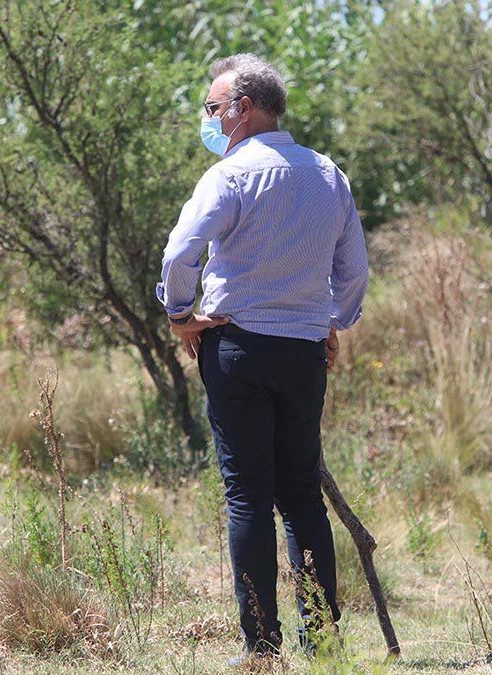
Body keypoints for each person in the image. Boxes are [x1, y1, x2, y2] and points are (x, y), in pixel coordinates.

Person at [154, 53, 369, 664]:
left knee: (248, 496)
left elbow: (180, 254)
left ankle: (262, 649)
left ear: (242, 108)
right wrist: (332, 323)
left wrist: (179, 314)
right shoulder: (328, 174)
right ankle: (322, 644)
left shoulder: (229, 175)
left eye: (212, 108)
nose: (209, 119)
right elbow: (355, 269)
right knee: (301, 494)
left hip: (239, 348)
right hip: (304, 353)